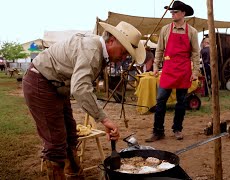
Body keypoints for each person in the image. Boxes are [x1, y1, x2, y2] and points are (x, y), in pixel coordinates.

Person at [22, 21, 145, 179]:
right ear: (112, 40)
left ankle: (74, 175)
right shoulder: (92, 50)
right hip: (41, 82)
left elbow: (80, 84)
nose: (124, 57)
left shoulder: (97, 50)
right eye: (124, 51)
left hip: (57, 86)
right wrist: (104, 119)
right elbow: (80, 88)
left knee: (71, 135)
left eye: (128, 54)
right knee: (56, 142)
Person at [145, 0, 200, 142]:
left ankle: (177, 129)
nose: (172, 14)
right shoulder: (165, 29)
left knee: (181, 102)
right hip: (168, 70)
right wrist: (156, 66)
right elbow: (159, 50)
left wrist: (195, 72)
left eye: (175, 12)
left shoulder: (192, 32)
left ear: (183, 13)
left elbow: (195, 53)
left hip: (184, 70)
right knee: (160, 100)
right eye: (171, 12)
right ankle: (158, 131)